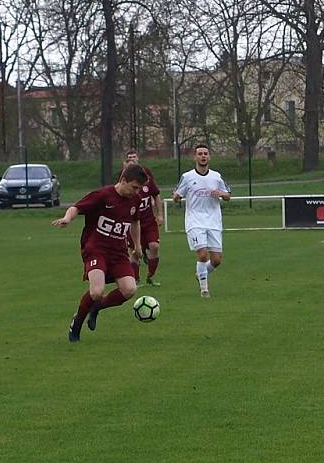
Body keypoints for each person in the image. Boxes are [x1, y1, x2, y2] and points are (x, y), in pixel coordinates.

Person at [52, 164, 147, 343]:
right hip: (95, 249)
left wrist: (137, 246)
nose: (136, 192)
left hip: (118, 252)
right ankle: (77, 323)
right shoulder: (103, 195)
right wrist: (67, 218)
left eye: (139, 188)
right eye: (134, 187)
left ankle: (96, 308)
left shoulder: (135, 200)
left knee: (129, 290)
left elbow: (135, 223)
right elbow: (76, 208)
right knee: (96, 291)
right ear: (123, 180)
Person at [173, 144, 231, 298]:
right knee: (203, 254)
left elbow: (228, 196)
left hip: (214, 221)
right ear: (195, 157)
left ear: (209, 157)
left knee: (217, 260)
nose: (203, 156)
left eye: (205, 153)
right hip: (195, 221)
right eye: (200, 154)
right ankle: (204, 290)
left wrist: (220, 192)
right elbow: (176, 195)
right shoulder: (187, 177)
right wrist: (177, 197)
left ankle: (201, 274)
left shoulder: (216, 176)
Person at [120, 151, 164, 287]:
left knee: (154, 246)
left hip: (148, 221)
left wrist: (160, 214)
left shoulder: (147, 180)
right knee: (134, 252)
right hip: (132, 222)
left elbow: (156, 195)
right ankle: (136, 279)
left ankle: (150, 276)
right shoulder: (123, 183)